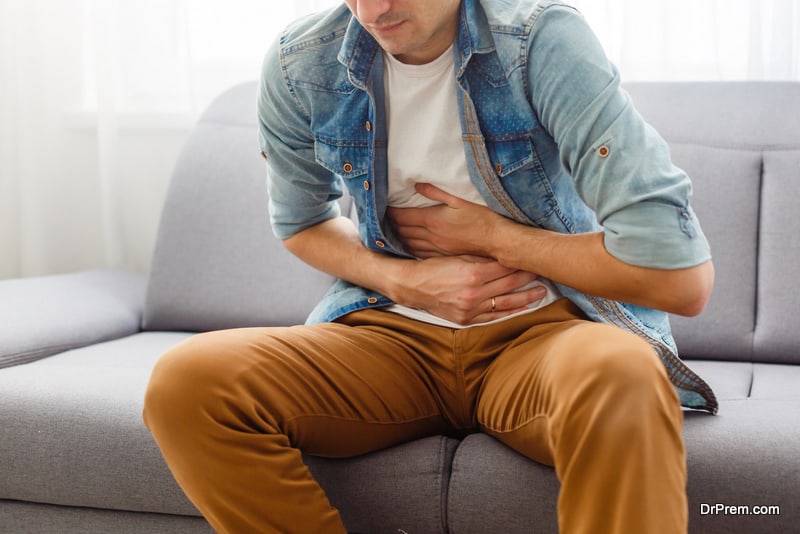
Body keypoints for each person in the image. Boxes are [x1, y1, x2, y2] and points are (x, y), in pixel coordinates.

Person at [143, 0, 717, 532]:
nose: (372, 11)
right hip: (389, 337)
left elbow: (681, 279)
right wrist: (406, 281)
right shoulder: (303, 60)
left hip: (546, 336)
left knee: (624, 374)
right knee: (188, 382)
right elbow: (301, 223)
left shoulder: (539, 41)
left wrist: (499, 238)